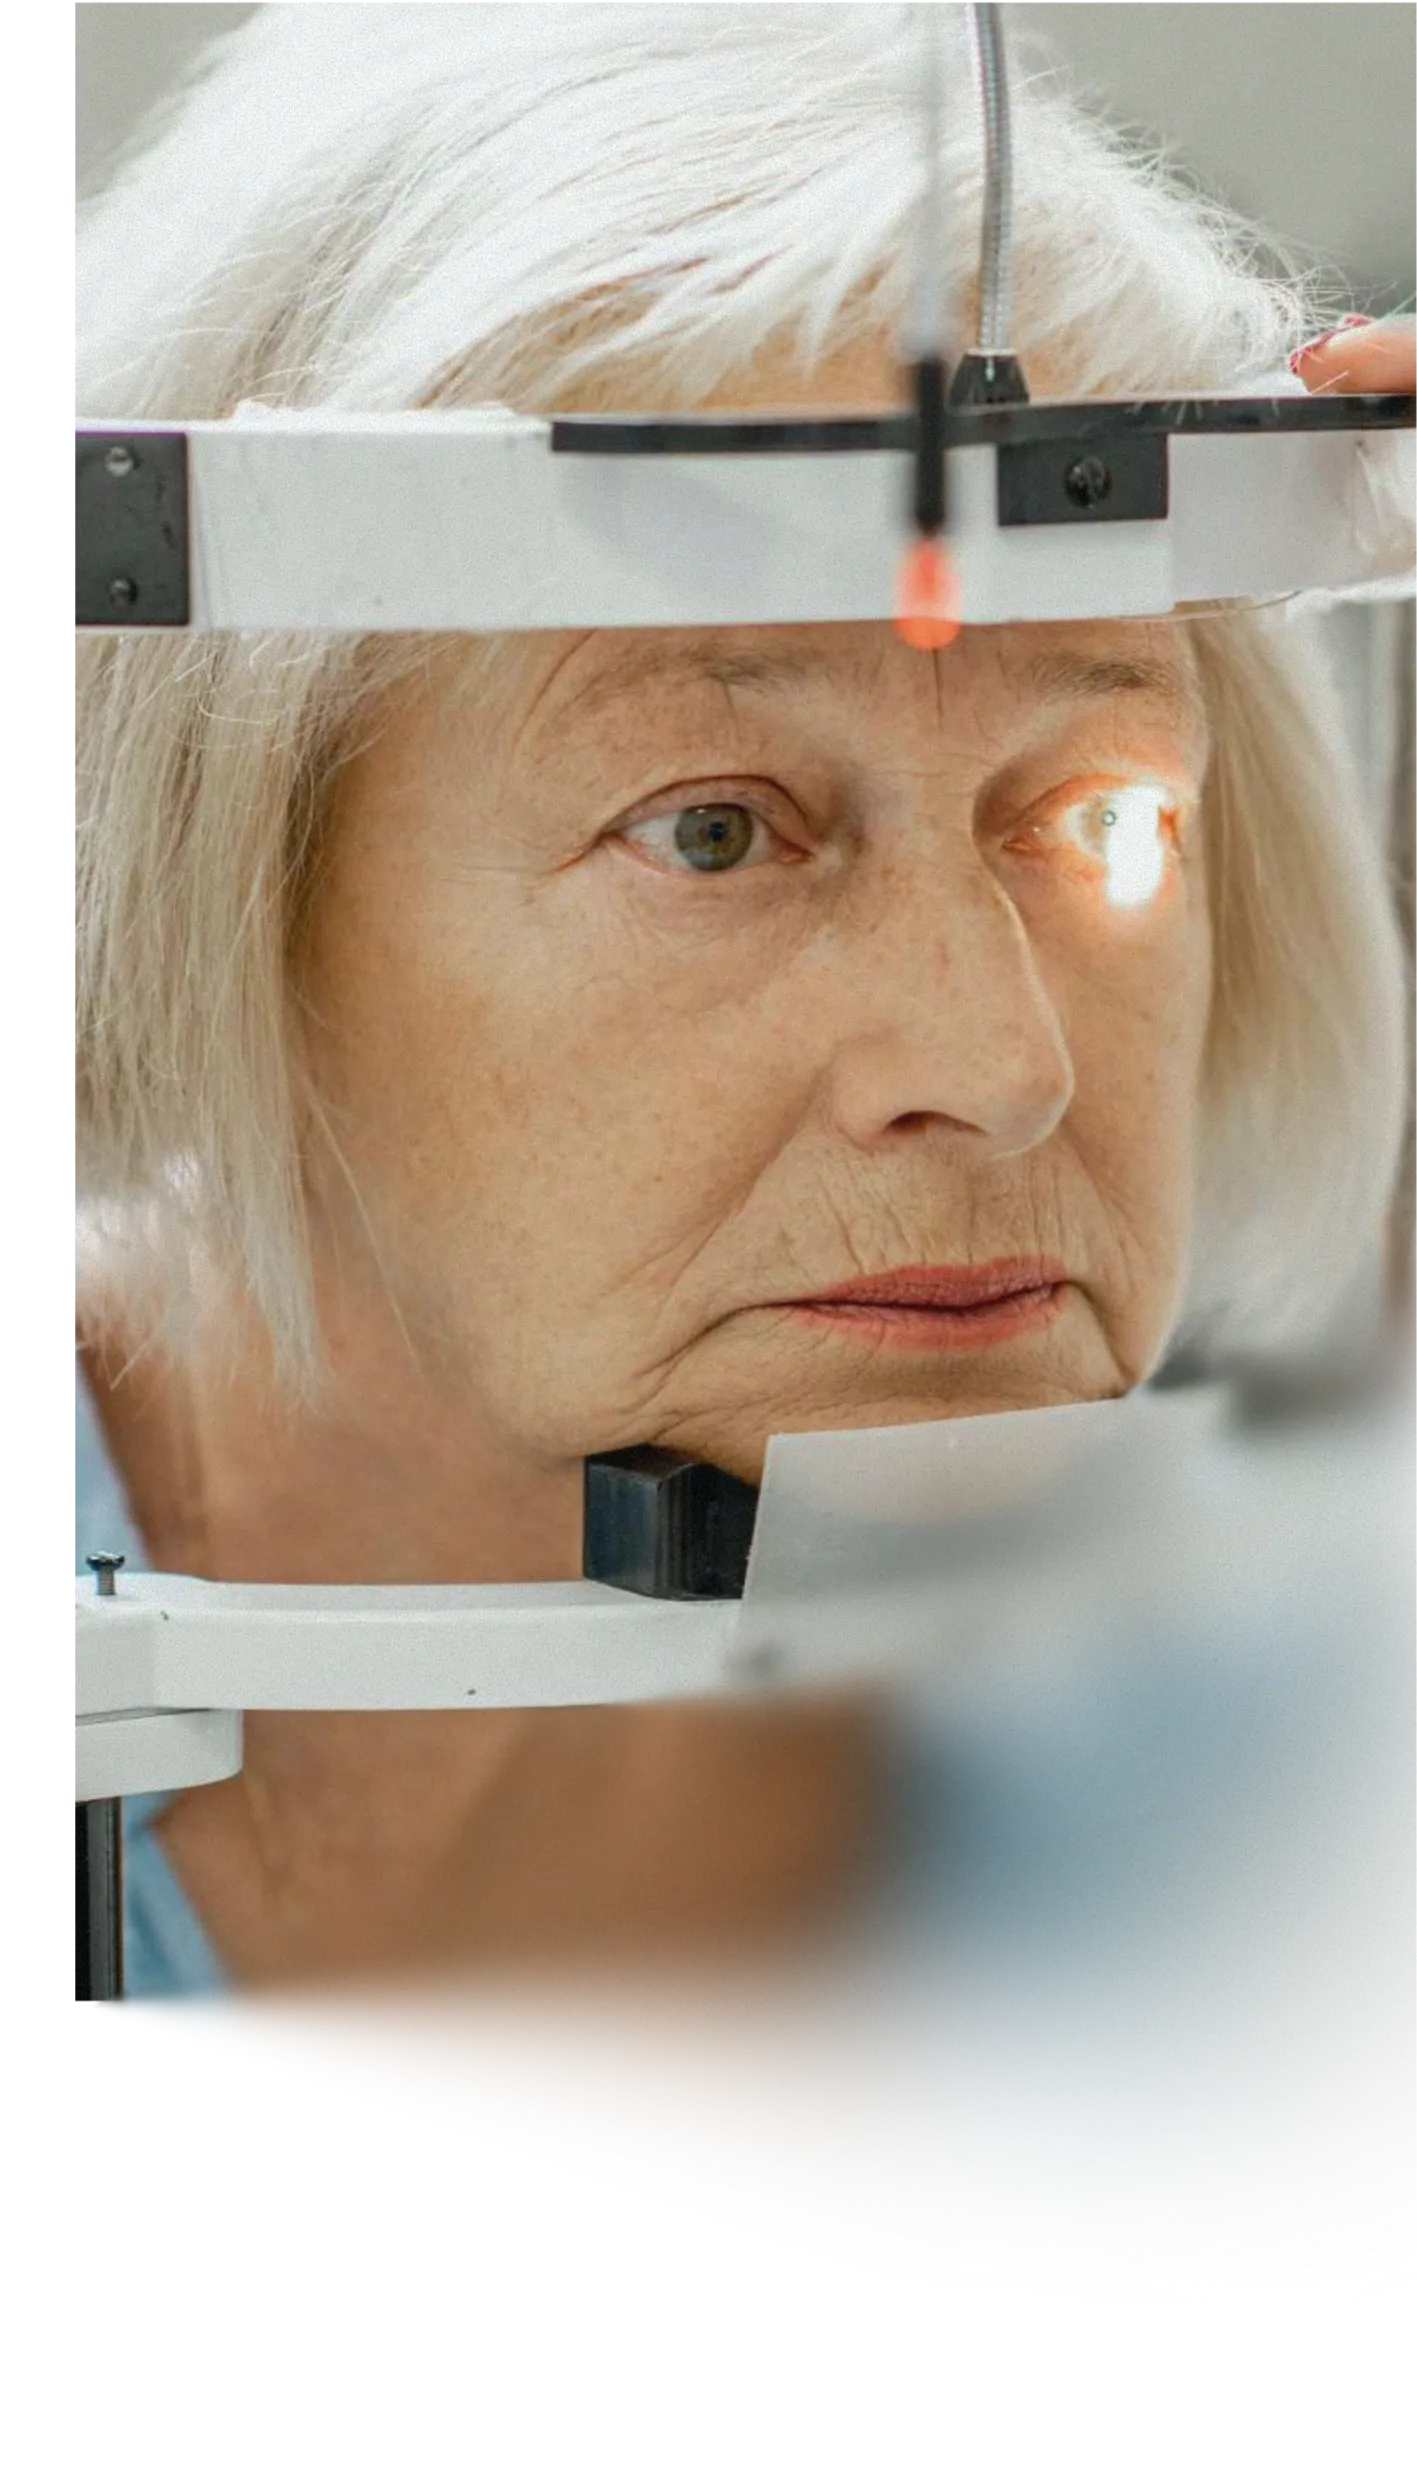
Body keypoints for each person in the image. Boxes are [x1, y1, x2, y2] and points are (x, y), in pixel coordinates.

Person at [73, 0, 1413, 2209]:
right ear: (223, 879)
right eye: (716, 832)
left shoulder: (1247, 1767)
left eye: (1091, 821)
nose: (999, 1069)